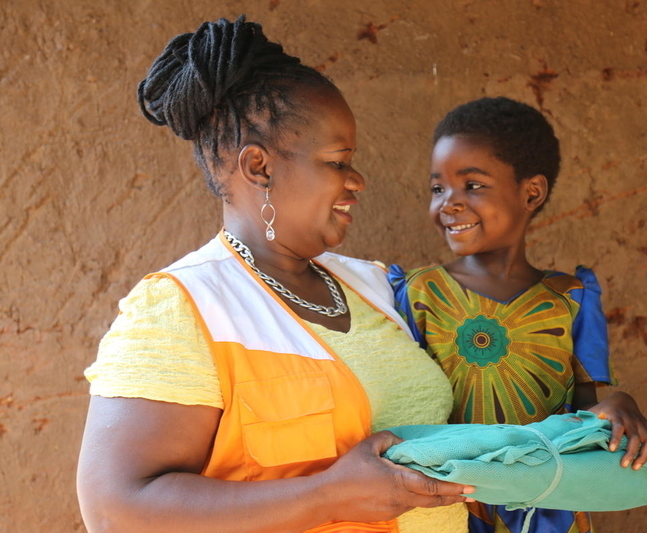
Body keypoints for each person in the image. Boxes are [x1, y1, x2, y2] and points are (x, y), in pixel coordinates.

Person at [76, 16, 474, 533]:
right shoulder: (183, 308)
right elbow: (114, 511)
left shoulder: (377, 287)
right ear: (259, 167)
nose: (355, 181)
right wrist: (328, 495)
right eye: (336, 161)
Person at [388, 97, 647, 533]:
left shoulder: (570, 298)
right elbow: (405, 410)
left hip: (551, 507)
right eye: (438, 188)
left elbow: (588, 410)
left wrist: (620, 405)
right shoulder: (419, 294)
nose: (449, 204)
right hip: (451, 505)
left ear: (531, 192)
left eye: (473, 186)